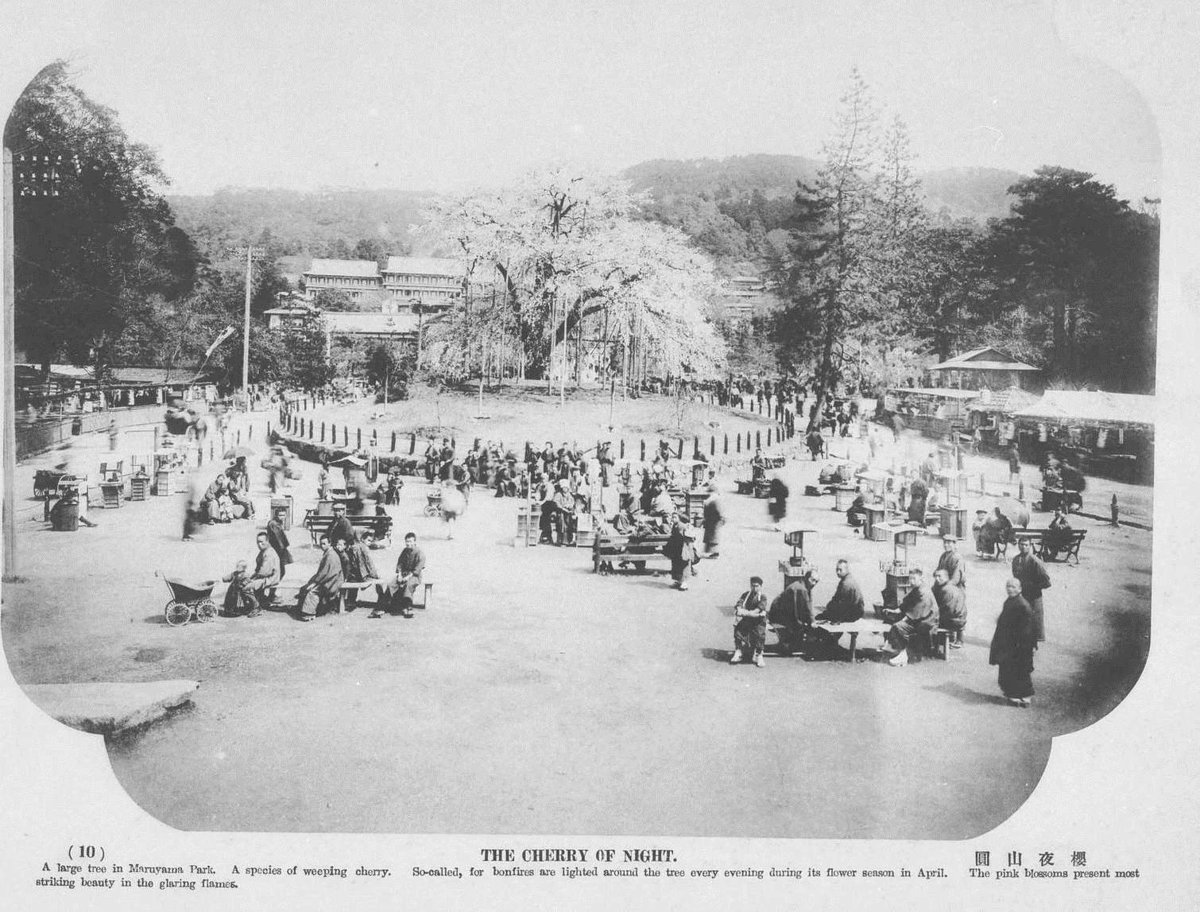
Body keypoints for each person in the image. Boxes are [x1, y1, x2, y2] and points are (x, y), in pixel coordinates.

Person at [990, 578, 1036, 707]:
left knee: (1021, 669)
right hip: (1008, 643)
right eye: (1008, 586)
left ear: (1020, 589)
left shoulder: (1023, 605)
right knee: (1008, 668)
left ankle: (1025, 696)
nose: (1010, 589)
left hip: (1020, 644)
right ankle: (1013, 694)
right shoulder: (1010, 601)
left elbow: (1027, 628)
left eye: (1014, 587)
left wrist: (1024, 645)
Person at [882, 568, 936, 667]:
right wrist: (897, 611)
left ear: (921, 578)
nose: (911, 581)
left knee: (898, 626)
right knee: (892, 618)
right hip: (920, 617)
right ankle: (892, 646)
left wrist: (904, 619)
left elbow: (917, 611)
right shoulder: (917, 588)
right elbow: (907, 602)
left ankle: (903, 655)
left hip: (927, 621)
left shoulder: (924, 592)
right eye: (910, 579)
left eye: (914, 579)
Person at [374, 532, 424, 619]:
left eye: (410, 541)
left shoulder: (419, 553)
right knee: (391, 585)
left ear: (414, 542)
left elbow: (418, 568)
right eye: (407, 542)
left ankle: (407, 608)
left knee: (408, 585)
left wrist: (408, 577)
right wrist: (400, 574)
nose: (408, 544)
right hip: (403, 574)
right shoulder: (405, 551)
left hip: (414, 576)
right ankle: (382, 608)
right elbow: (400, 564)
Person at [769, 568, 818, 656]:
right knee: (801, 627)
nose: (814, 583)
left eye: (816, 581)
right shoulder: (801, 589)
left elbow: (807, 606)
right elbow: (804, 609)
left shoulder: (802, 585)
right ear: (807, 578)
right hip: (777, 615)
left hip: (778, 612)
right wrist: (812, 622)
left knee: (803, 625)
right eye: (813, 580)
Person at [1011, 536, 1051, 643]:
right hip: (1022, 595)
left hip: (1034, 596)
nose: (1023, 547)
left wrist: (1033, 586)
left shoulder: (1035, 561)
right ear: (1018, 545)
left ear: (1030, 546)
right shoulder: (1015, 560)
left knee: (1034, 621)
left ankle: (1032, 644)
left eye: (1026, 545)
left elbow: (1047, 582)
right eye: (1021, 544)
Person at [296, 534, 343, 621]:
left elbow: (325, 573)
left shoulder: (331, 555)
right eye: (321, 544)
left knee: (313, 591)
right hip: (329, 579)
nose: (322, 546)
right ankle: (301, 609)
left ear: (330, 544)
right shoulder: (328, 553)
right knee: (305, 587)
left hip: (332, 581)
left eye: (324, 544)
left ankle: (310, 613)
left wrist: (315, 582)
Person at [731, 576, 770, 667]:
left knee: (760, 635)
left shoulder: (762, 597)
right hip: (748, 619)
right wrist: (739, 608)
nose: (754, 588)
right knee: (738, 631)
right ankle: (738, 651)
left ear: (760, 586)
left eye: (756, 586)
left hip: (758, 621)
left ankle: (759, 655)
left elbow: (758, 609)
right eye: (752, 586)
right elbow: (739, 603)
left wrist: (746, 613)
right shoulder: (746, 595)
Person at [339, 533, 380, 611]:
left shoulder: (355, 547)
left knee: (353, 583)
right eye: (368, 540)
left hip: (352, 573)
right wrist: (374, 574)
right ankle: (381, 600)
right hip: (360, 574)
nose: (369, 543)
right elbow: (368, 562)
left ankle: (351, 602)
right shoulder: (363, 548)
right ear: (362, 539)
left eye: (371, 541)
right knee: (378, 581)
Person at [244, 531, 282, 611]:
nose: (259, 544)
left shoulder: (269, 553)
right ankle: (260, 600)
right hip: (265, 577)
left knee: (246, 587)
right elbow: (258, 570)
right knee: (245, 581)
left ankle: (256, 608)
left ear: (267, 541)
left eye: (261, 542)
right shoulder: (263, 551)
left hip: (270, 579)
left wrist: (251, 580)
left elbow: (264, 572)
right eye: (257, 542)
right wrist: (250, 577)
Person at [931, 567, 967, 647]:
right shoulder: (950, 586)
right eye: (935, 576)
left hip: (954, 621)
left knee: (926, 622)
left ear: (946, 577)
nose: (937, 579)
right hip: (960, 619)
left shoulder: (946, 590)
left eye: (939, 576)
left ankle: (934, 646)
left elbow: (948, 611)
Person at [664, 516, 697, 591]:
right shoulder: (675, 525)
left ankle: (684, 583)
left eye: (675, 517)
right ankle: (679, 581)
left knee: (684, 564)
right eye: (672, 517)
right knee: (676, 564)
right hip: (677, 548)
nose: (672, 518)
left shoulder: (681, 526)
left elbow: (686, 537)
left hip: (683, 548)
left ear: (680, 519)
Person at [266, 506, 293, 580]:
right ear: (276, 515)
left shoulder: (277, 523)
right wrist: (282, 549)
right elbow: (277, 538)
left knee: (280, 570)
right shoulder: (274, 524)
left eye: (284, 515)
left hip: (279, 549)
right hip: (277, 549)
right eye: (280, 515)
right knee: (279, 571)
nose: (282, 517)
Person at [702, 486, 724, 558]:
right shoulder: (712, 499)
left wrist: (721, 518)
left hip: (714, 522)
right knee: (711, 538)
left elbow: (719, 511)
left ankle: (715, 553)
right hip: (711, 521)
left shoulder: (715, 500)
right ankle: (714, 553)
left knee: (714, 538)